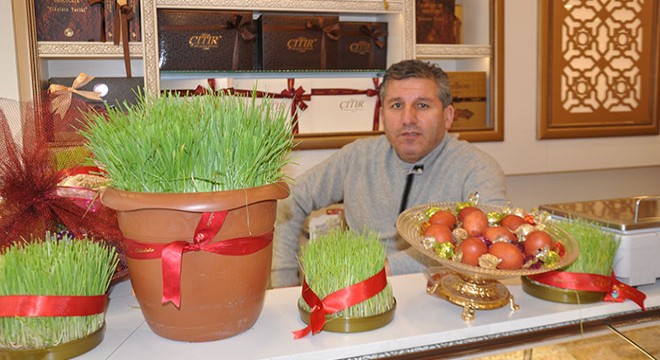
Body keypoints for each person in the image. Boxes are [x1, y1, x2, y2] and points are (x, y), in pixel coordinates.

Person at [271, 59, 508, 288]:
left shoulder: (478, 168)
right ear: (383, 115)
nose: (408, 119)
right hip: (360, 297)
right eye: (396, 105)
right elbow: (291, 199)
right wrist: (283, 280)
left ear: (447, 117)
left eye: (422, 105)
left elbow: (487, 243)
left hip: (441, 299)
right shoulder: (357, 157)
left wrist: (387, 269)